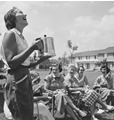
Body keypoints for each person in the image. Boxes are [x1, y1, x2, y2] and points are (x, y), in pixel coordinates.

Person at [2, 7, 51, 120]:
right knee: (21, 116)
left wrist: (42, 59)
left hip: (24, 79)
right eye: (20, 12)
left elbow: (26, 64)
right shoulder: (10, 34)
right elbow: (11, 62)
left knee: (27, 116)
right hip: (17, 80)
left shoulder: (21, 37)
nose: (25, 14)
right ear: (12, 18)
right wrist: (32, 48)